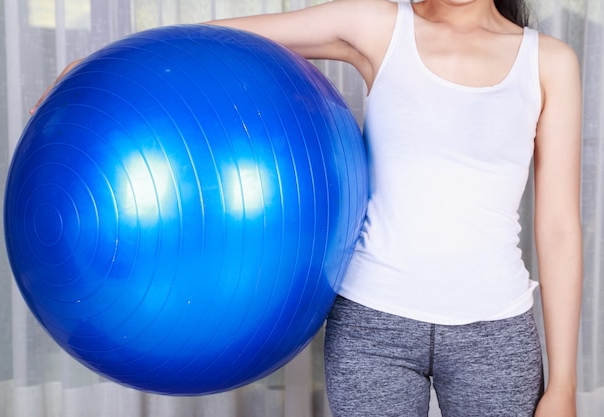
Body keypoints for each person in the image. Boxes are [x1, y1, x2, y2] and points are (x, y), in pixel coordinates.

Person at [32, 1, 583, 416]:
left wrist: (562, 384)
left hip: (495, 333)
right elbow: (230, 38)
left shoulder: (549, 61)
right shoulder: (381, 26)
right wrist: (104, 65)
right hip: (374, 327)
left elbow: (557, 227)